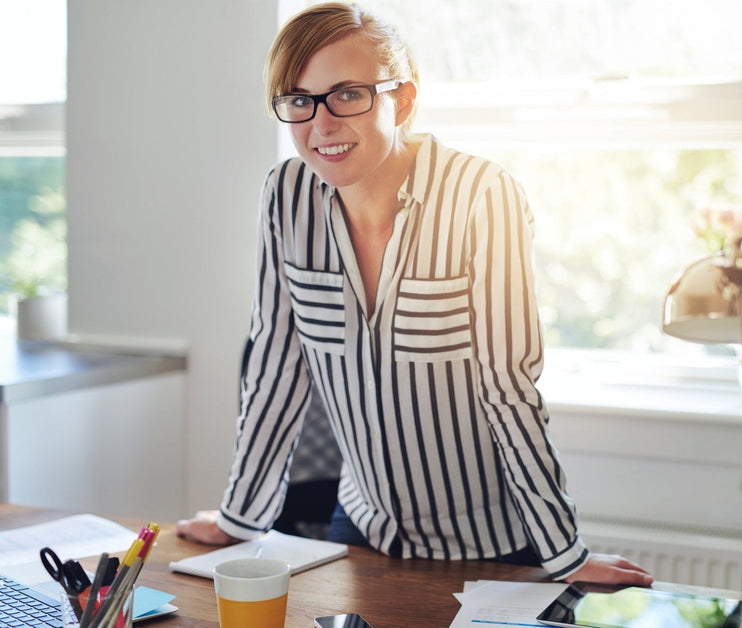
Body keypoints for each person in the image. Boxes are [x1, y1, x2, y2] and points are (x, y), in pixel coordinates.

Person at [177, 1, 652, 587]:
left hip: (493, 546)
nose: (320, 125)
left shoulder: (483, 195)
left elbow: (509, 386)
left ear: (402, 99)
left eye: (346, 94)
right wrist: (239, 519)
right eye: (299, 101)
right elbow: (277, 361)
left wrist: (567, 557)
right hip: (362, 533)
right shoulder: (285, 195)